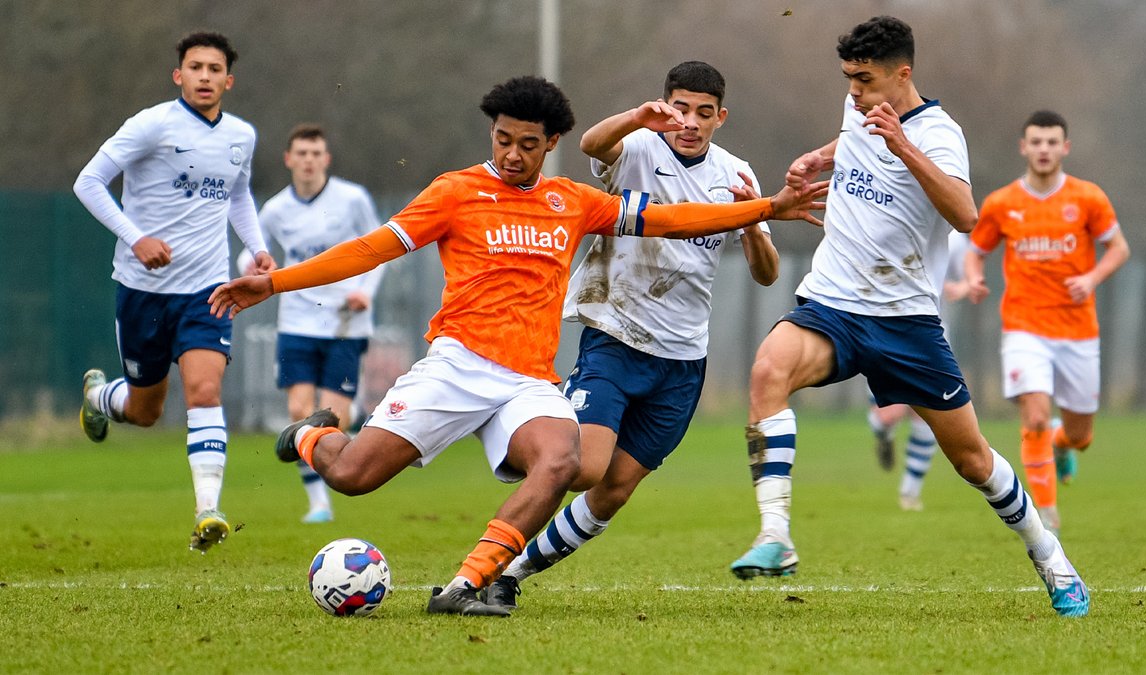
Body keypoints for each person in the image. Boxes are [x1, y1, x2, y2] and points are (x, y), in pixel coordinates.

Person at [207, 75, 824, 616]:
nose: (512, 153)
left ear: (550, 144)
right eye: (503, 139)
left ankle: (467, 583)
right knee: (351, 476)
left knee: (565, 462)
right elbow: (369, 249)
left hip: (528, 379)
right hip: (455, 364)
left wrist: (768, 208)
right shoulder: (454, 192)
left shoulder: (571, 202)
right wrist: (276, 283)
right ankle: (312, 437)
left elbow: (669, 219)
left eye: (528, 144)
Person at [730, 16, 1089, 616]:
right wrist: (820, 155)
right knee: (769, 371)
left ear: (903, 74)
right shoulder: (860, 107)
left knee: (972, 459)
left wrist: (904, 146)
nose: (853, 92)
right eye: (847, 79)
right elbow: (855, 138)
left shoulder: (941, 134)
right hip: (834, 304)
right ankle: (775, 537)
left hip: (906, 322)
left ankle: (1049, 555)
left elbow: (965, 213)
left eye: (864, 80)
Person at [479, 61, 785, 608]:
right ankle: (506, 439)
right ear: (665, 105)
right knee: (584, 467)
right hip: (616, 336)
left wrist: (748, 222)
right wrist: (639, 118)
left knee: (613, 489)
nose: (689, 121)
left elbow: (767, 273)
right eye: (680, 108)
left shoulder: (737, 173)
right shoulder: (641, 146)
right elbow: (594, 143)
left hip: (683, 360)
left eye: (703, 113)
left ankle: (508, 573)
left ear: (721, 117)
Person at [73, 31, 275, 553]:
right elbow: (89, 182)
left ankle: (207, 510)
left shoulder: (242, 136)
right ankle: (100, 396)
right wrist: (134, 238)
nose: (204, 76)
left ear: (228, 81)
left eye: (214, 69)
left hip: (208, 289)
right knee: (145, 411)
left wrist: (255, 249)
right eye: (195, 67)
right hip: (143, 289)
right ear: (178, 75)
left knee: (204, 393)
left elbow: (238, 196)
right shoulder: (151, 125)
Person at [964, 110, 1129, 535]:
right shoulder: (1002, 203)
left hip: (1078, 330)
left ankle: (1062, 442)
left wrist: (1091, 278)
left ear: (1065, 148)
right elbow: (975, 249)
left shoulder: (1088, 197)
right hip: (1023, 326)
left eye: (1052, 142)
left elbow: (1118, 249)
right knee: (1034, 416)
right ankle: (1048, 515)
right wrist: (974, 278)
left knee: (1081, 434)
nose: (1043, 149)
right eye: (1036, 141)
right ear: (1023, 147)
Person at [247, 124, 384, 524]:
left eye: (315, 153)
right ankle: (319, 503)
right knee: (298, 412)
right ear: (289, 159)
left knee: (334, 420)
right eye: (301, 154)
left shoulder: (352, 199)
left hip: (345, 323)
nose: (308, 161)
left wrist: (366, 293)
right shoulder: (274, 210)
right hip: (297, 322)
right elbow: (254, 258)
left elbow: (379, 250)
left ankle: (355, 412)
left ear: (326, 159)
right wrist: (255, 266)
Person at [867, 230, 970, 512]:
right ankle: (883, 432)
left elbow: (970, 276)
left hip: (930, 334)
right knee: (889, 414)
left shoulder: (955, 240)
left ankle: (909, 492)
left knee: (925, 414)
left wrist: (962, 288)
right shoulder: (889, 221)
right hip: (881, 329)